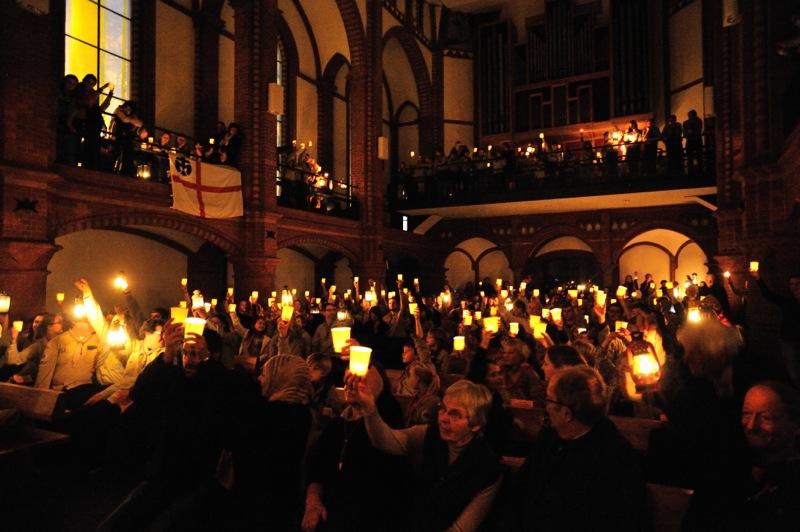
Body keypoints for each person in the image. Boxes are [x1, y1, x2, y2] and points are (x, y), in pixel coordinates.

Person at [504, 366, 646, 531]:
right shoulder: (550, 437)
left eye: (549, 400)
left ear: (566, 413)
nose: (546, 407)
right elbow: (523, 489)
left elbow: (610, 520)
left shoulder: (614, 459)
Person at [352, 377, 502, 531]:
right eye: (443, 409)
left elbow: (460, 529)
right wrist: (369, 408)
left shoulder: (488, 468)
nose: (443, 418)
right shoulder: (429, 434)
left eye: (455, 414)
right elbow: (386, 441)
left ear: (476, 424)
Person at [685, 381, 800, 530]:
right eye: (747, 414)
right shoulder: (725, 470)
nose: (751, 425)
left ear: (795, 423)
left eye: (766, 418)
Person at [225, 355, 313, 529]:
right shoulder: (304, 415)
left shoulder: (264, 415)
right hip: (285, 502)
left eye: (264, 374)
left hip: (255, 504)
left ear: (280, 378)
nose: (259, 379)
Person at [751, 269, 800, 386]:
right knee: (794, 372)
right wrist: (758, 278)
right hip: (789, 341)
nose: (794, 287)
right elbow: (768, 295)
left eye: (797, 284)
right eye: (791, 284)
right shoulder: (787, 301)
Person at [683, 110, 704, 176]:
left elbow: (698, 130)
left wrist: (690, 133)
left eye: (691, 115)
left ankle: (697, 170)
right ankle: (693, 170)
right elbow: (685, 132)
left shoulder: (696, 121)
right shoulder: (687, 122)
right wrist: (688, 133)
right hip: (692, 140)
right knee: (691, 156)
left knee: (698, 155)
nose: (690, 116)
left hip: (695, 140)